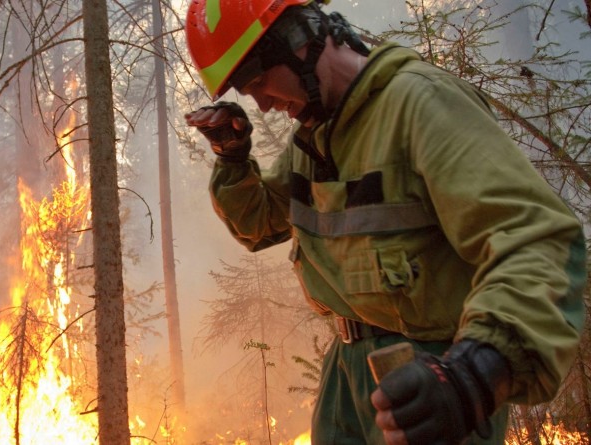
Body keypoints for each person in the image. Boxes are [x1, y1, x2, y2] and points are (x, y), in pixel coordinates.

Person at [183, 0, 587, 444]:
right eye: (245, 90)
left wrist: (476, 372)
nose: (260, 103)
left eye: (257, 80)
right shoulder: (317, 136)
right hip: (347, 374)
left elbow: (535, 240)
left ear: (299, 41)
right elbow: (260, 224)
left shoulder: (420, 103)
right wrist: (233, 159)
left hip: (431, 375)